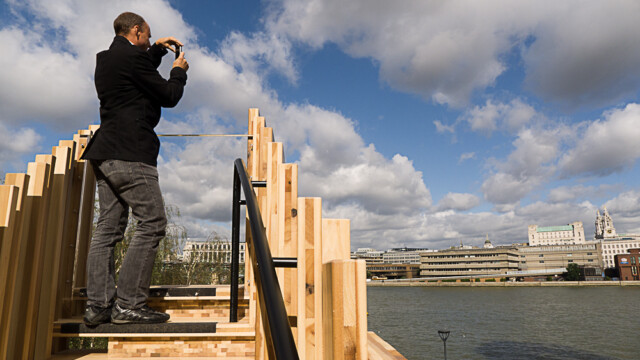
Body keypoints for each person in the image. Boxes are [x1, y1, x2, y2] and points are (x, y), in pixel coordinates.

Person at [81, 11, 189, 325]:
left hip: (105, 153)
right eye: (147, 36)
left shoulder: (107, 60)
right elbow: (169, 96)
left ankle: (98, 305)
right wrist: (178, 71)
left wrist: (154, 48)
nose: (147, 43)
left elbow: (136, 69)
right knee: (153, 222)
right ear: (137, 30)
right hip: (131, 153)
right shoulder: (132, 61)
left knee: (108, 230)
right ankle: (128, 304)